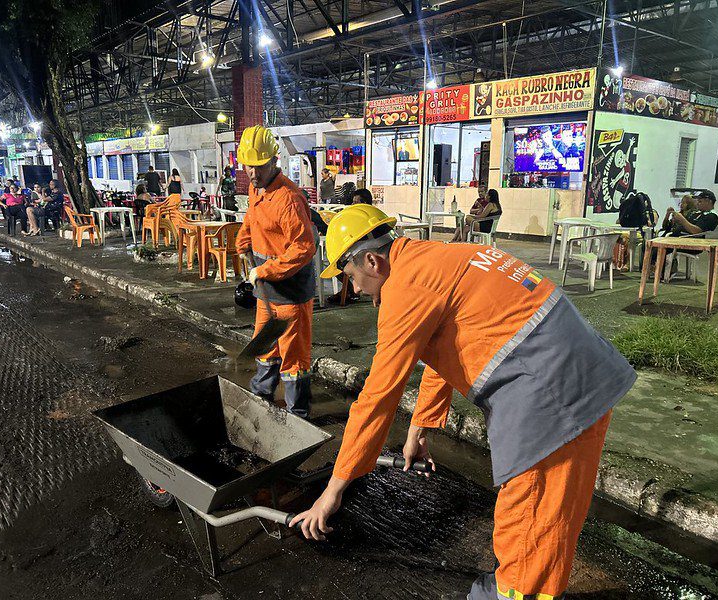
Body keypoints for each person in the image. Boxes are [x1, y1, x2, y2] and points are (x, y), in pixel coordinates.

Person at [291, 204, 637, 600]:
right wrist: (420, 428)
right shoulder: (439, 259)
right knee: (550, 525)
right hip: (587, 382)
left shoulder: (405, 288)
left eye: (349, 277)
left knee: (526, 535)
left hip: (549, 397)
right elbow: (447, 349)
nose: (351, 289)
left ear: (371, 261)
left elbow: (377, 397)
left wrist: (333, 490)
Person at [235, 125, 316, 418]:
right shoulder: (259, 191)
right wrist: (242, 242)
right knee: (266, 345)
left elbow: (304, 248)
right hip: (266, 290)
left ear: (274, 161)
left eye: (259, 166)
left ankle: (299, 413)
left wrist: (266, 269)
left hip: (291, 292)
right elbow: (251, 221)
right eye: (248, 167)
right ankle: (261, 395)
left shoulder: (288, 198)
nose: (253, 173)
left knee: (293, 357)